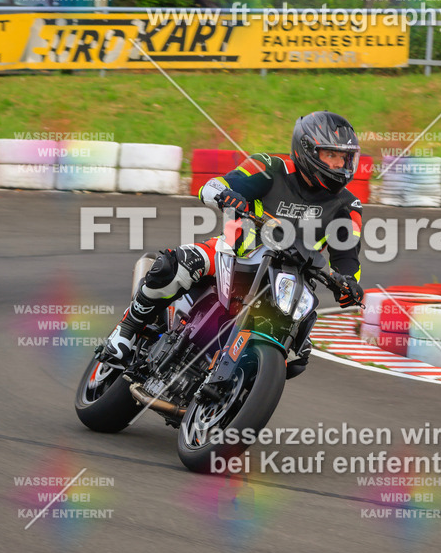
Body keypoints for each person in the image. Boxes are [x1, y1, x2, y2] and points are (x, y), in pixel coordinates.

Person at [102, 111, 366, 373]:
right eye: (331, 155)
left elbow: (347, 256)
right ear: (307, 149)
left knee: (299, 355)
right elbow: (212, 186)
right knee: (176, 265)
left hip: (291, 282)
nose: (340, 165)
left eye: (345, 158)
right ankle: (125, 331)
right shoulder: (270, 167)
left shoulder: (349, 204)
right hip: (234, 254)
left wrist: (348, 283)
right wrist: (227, 196)